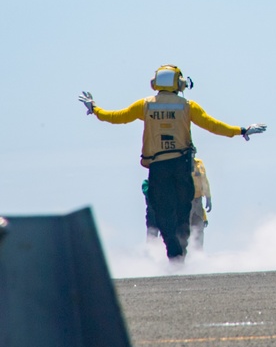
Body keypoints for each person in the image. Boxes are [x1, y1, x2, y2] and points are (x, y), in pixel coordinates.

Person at [79, 64, 266, 262]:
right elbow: (214, 126)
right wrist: (242, 130)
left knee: (162, 212)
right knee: (182, 212)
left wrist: (95, 109)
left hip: (158, 167)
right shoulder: (187, 106)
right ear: (179, 83)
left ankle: (174, 253)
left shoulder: (145, 105)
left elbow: (116, 117)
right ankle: (179, 256)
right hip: (181, 165)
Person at [189, 157, 212, 250]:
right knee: (183, 229)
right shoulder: (179, 163)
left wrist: (208, 197)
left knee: (199, 227)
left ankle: (198, 254)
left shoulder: (198, 163)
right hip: (184, 200)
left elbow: (204, 180)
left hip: (198, 200)